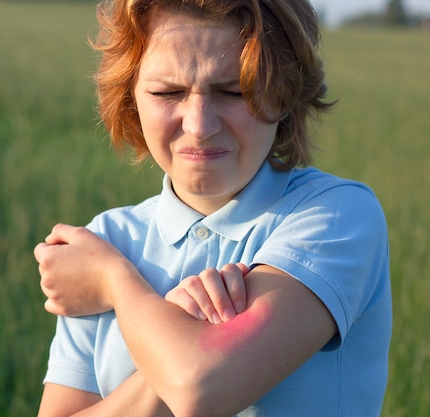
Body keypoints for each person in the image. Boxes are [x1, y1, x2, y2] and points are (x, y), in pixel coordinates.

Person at [34, 0, 392, 415]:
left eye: (234, 91)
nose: (199, 126)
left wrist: (117, 285)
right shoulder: (106, 238)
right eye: (168, 92)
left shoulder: (338, 216)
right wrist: (175, 336)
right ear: (130, 95)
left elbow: (199, 390)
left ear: (286, 90)